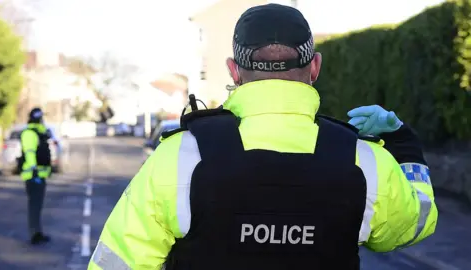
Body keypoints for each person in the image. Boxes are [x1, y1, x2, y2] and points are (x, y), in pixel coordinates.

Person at [88, 4, 437, 270]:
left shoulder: (182, 157)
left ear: (234, 69)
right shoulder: (364, 161)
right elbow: (413, 225)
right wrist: (404, 144)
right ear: (314, 66)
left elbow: (118, 261)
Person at [19, 107, 52, 245]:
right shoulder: (29, 133)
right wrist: (34, 171)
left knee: (37, 206)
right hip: (33, 176)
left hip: (39, 174)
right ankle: (34, 234)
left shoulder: (39, 132)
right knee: (34, 206)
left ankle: (38, 232)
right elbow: (30, 152)